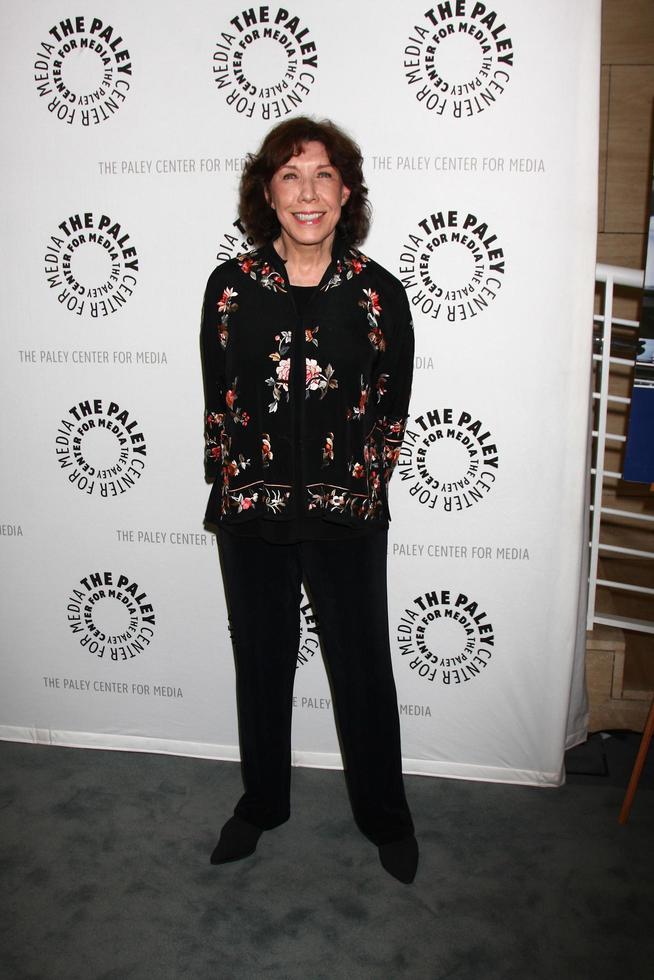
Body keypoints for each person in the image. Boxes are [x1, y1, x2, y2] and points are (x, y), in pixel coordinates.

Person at [201, 117, 418, 883]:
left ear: (346, 191)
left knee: (361, 666)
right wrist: (236, 482)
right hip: (251, 512)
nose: (308, 192)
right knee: (260, 661)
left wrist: (358, 491)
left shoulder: (377, 293)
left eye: (323, 175)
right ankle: (261, 804)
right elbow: (219, 401)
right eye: (291, 175)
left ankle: (386, 816)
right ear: (268, 192)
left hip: (346, 517)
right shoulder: (230, 288)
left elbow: (391, 412)